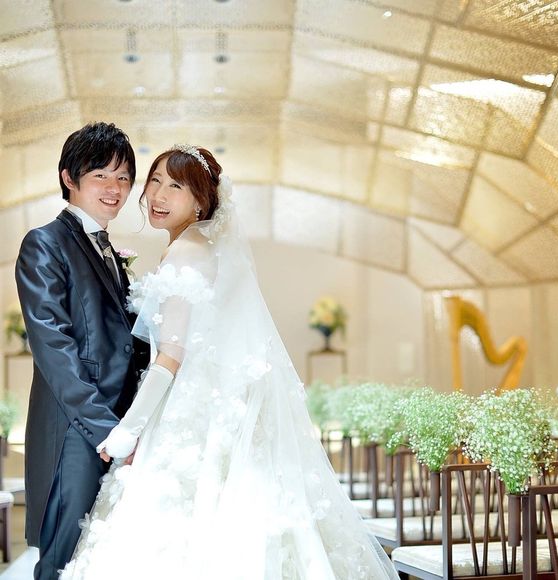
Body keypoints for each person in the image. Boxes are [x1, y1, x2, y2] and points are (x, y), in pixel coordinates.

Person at [62, 145, 398, 579]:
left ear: (201, 201)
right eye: (156, 180)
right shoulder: (203, 247)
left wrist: (129, 429)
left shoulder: (185, 252)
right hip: (207, 405)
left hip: (186, 414)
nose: (159, 195)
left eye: (176, 187)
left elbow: (171, 357)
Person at [15, 122, 149, 580]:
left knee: (100, 557)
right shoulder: (45, 244)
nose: (115, 189)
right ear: (69, 178)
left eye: (124, 177)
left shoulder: (108, 250)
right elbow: (52, 344)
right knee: (64, 558)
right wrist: (103, 428)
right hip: (77, 428)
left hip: (118, 424)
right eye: (101, 175)